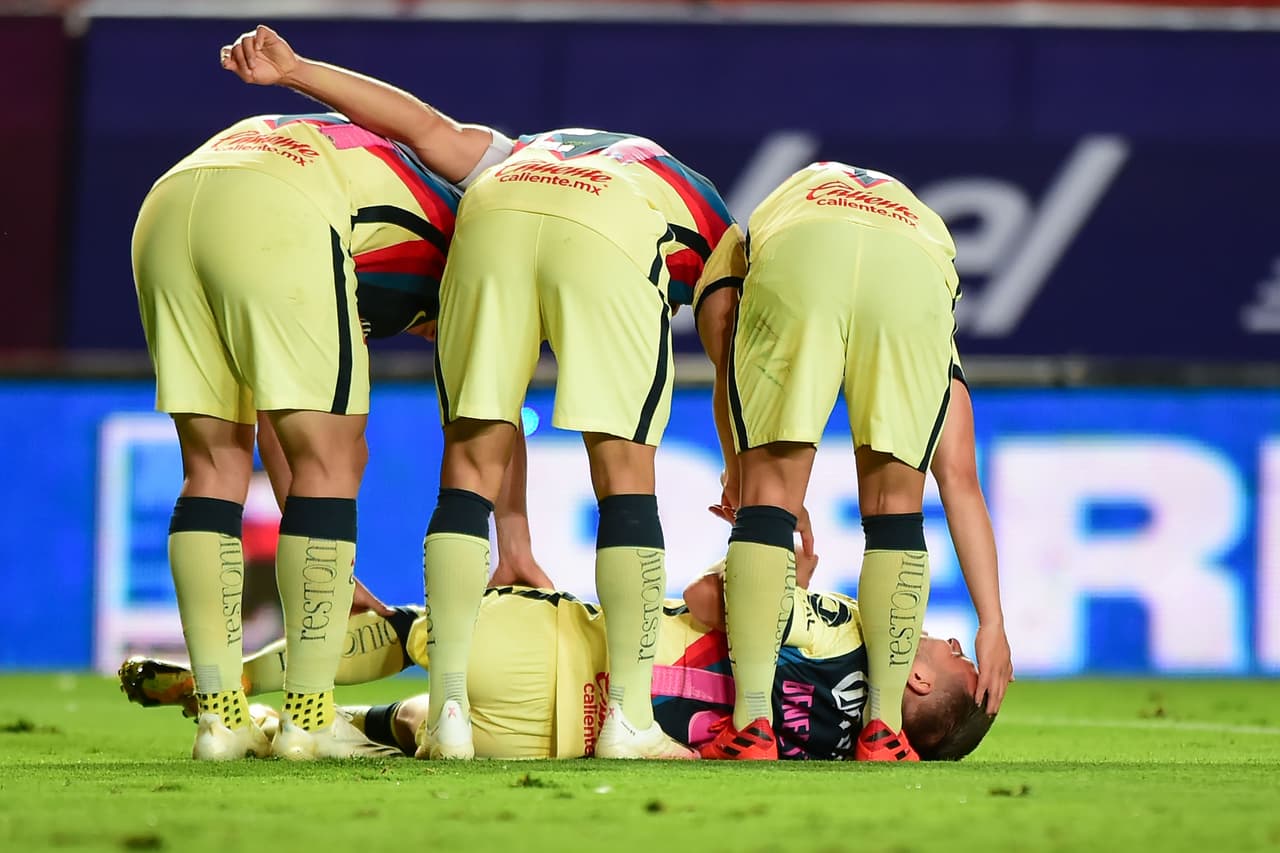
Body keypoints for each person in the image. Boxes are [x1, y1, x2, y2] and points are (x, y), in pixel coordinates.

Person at [221, 25, 738, 760]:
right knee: (625, 476)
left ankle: (448, 715)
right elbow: (732, 364)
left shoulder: (521, 153)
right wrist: (740, 465)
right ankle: (630, 720)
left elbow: (420, 126)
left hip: (494, 211)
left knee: (466, 462)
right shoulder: (720, 223)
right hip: (618, 227)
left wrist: (298, 69)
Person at [131, 101, 473, 761]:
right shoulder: (465, 242)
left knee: (210, 468)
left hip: (170, 203)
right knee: (337, 452)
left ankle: (222, 718)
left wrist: (331, 572)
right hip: (281, 204)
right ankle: (309, 718)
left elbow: (273, 416)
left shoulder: (387, 205)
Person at [120, 551, 995, 761]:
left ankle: (232, 685)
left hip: (569, 653)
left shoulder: (845, 628)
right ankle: (300, 729)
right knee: (409, 727)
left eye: (950, 650)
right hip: (553, 742)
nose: (945, 634)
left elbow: (704, 604)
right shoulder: (852, 751)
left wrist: (770, 563)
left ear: (917, 677)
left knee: (408, 629)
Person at [694, 162, 985, 761]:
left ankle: (752, 725)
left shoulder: (761, 219)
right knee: (897, 511)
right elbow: (958, 477)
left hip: (804, 251)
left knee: (769, 501)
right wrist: (994, 622)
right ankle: (883, 729)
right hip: (915, 278)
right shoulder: (923, 252)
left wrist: (741, 466)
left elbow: (722, 320)